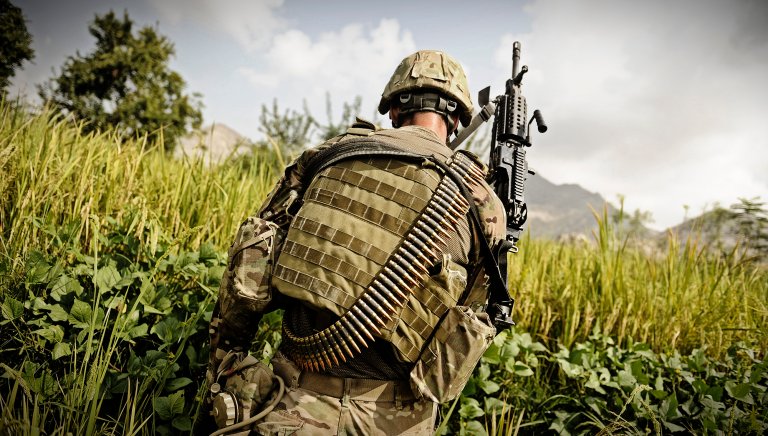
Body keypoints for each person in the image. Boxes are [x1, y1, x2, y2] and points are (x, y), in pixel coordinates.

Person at [201, 50, 507, 435]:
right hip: (399, 420)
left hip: (293, 402)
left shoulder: (328, 155)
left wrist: (228, 363)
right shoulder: (482, 203)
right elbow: (478, 315)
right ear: (457, 118)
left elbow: (251, 261)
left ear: (393, 109)